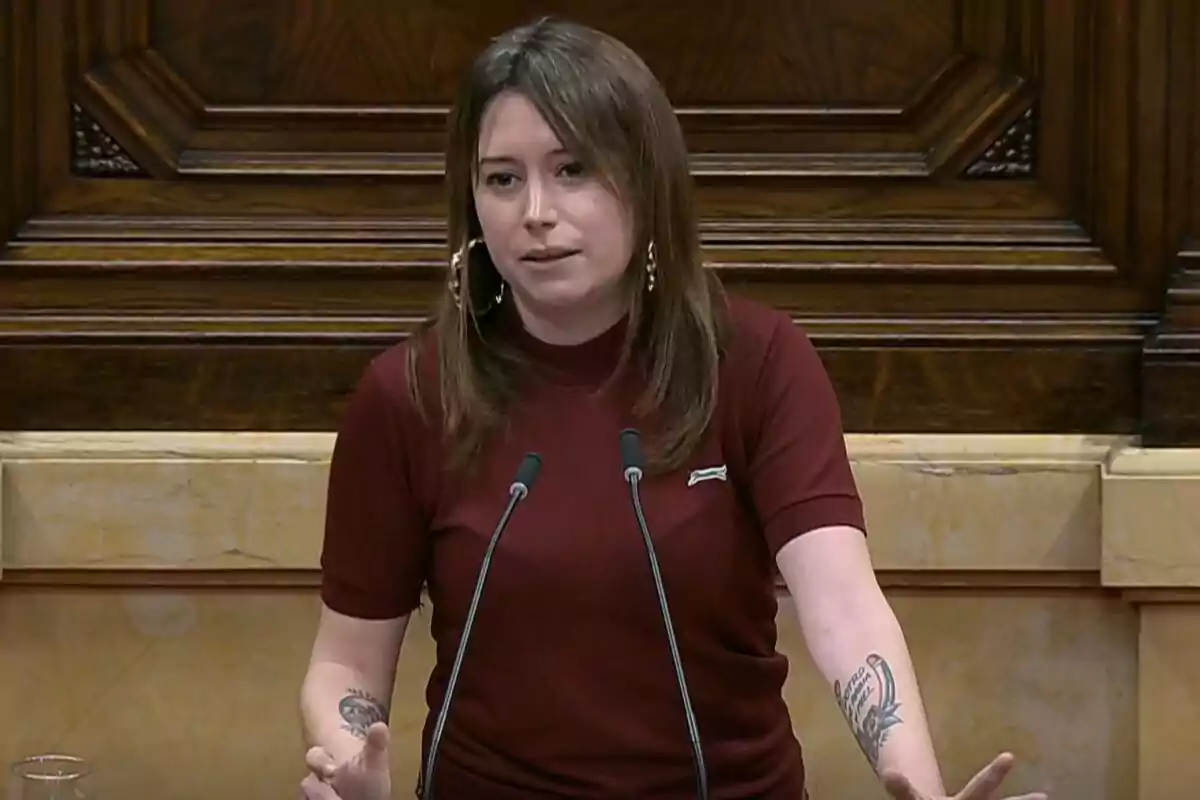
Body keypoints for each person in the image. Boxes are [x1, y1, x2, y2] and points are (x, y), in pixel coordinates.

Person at [298, 16, 1048, 800]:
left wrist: (918, 789)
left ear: (646, 183)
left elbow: (846, 612)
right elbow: (346, 660)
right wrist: (348, 762)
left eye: (574, 169)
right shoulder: (408, 396)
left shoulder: (755, 364)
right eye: (502, 178)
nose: (536, 212)